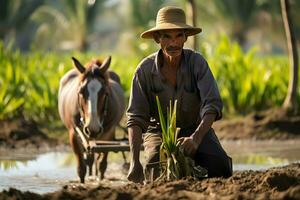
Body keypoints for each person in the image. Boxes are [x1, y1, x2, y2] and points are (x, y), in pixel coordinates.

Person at [126, 6, 232, 183]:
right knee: (153, 171)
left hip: (194, 128)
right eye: (167, 36)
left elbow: (212, 105)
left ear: (185, 38)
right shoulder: (144, 71)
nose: (173, 43)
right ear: (158, 39)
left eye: (178, 36)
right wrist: (134, 161)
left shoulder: (197, 63)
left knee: (220, 165)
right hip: (158, 131)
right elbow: (135, 118)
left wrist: (196, 139)